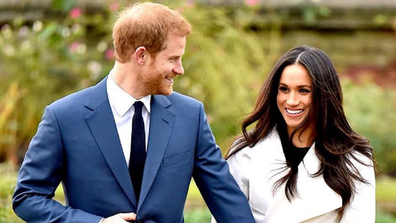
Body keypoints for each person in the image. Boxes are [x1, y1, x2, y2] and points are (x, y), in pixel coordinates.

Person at [12, 2, 255, 223]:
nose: (180, 69)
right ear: (141, 56)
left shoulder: (190, 116)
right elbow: (27, 197)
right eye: (173, 58)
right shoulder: (63, 117)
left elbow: (228, 202)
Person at [218, 45, 377, 222]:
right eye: (284, 89)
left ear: (324, 95)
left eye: (303, 91)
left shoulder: (354, 159)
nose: (291, 101)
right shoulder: (246, 151)